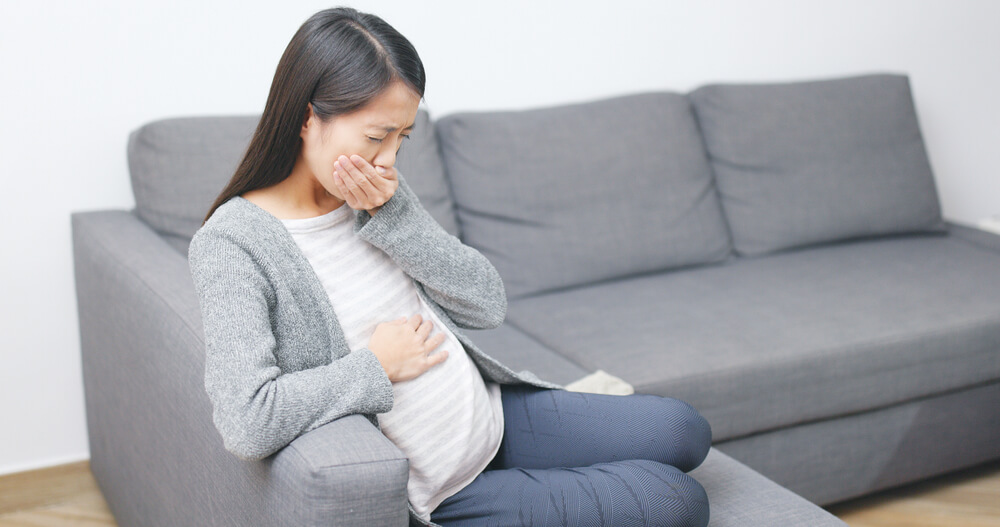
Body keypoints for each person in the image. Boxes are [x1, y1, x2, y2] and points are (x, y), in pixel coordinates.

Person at [188, 6, 712, 527]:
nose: (390, 158)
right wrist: (377, 364)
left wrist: (392, 218)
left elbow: (487, 303)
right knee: (677, 500)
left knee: (684, 429)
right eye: (377, 136)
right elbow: (246, 419)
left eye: (402, 137)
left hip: (495, 416)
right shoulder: (235, 244)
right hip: (447, 490)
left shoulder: (374, 194)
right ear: (307, 117)